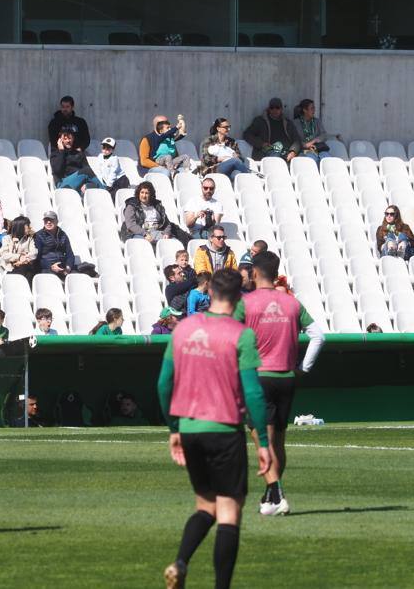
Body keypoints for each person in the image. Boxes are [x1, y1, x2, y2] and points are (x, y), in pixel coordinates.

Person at [158, 268, 271, 589]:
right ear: (239, 298)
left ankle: (180, 562)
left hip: (190, 430)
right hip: (224, 430)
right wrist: (263, 441)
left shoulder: (183, 329)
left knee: (205, 505)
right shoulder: (241, 334)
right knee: (229, 512)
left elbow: (164, 384)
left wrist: (174, 429)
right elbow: (252, 393)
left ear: (209, 294)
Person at [234, 251, 325, 516]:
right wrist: (303, 368)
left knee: (263, 442)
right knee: (279, 444)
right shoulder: (292, 303)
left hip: (257, 379)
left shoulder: (246, 303)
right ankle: (271, 494)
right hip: (286, 378)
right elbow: (318, 336)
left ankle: (277, 494)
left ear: (254, 273)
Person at [243, 97, 300, 162]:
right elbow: (247, 134)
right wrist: (262, 144)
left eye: (277, 108)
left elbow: (297, 140)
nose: (274, 110)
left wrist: (293, 152)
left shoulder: (288, 123)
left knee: (304, 158)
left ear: (281, 109)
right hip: (268, 152)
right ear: (269, 109)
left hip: (287, 152)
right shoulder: (260, 121)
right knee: (275, 156)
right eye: (272, 108)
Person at [50, 128, 104, 193]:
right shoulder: (55, 154)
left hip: (78, 183)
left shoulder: (79, 153)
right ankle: (106, 192)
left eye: (70, 138)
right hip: (63, 184)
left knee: (89, 187)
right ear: (60, 140)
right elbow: (57, 171)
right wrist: (62, 151)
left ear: (73, 139)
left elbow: (88, 170)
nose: (68, 141)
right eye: (65, 139)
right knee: (87, 171)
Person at [34, 210, 75, 277]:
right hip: (46, 268)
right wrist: (51, 267)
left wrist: (68, 268)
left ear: (57, 221)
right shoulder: (38, 235)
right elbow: (37, 258)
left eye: (51, 220)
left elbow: (70, 254)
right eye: (46, 220)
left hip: (63, 266)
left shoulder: (63, 235)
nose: (48, 222)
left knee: (77, 276)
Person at [0, 216, 39, 282]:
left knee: (29, 270)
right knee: (26, 272)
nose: (30, 228)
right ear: (20, 227)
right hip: (10, 268)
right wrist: (19, 256)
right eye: (28, 226)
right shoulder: (7, 239)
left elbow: (34, 252)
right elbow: (4, 255)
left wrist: (24, 259)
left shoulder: (29, 239)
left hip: (25, 265)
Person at [291, 99, 331, 164]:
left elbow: (324, 135)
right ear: (305, 110)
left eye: (314, 108)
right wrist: (305, 145)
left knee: (327, 160)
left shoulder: (317, 121)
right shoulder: (296, 123)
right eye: (312, 108)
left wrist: (314, 141)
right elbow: (294, 139)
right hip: (305, 150)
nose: (314, 111)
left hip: (318, 148)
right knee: (313, 160)